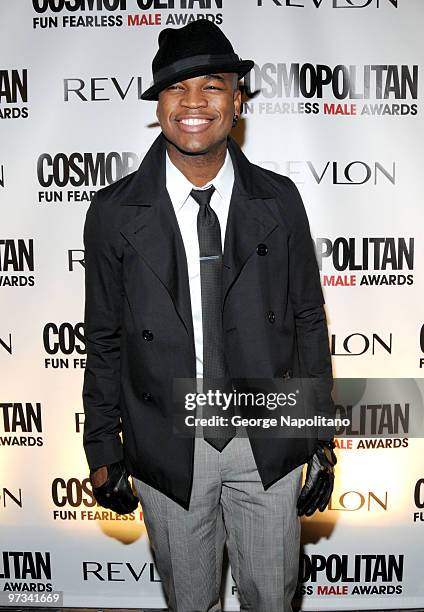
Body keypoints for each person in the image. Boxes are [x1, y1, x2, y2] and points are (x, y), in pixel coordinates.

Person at [82, 20, 337, 612]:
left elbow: (306, 319)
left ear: (238, 98)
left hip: (266, 436)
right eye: (177, 88)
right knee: (190, 603)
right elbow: (104, 337)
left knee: (272, 599)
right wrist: (102, 449)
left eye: (213, 85)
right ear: (159, 104)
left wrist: (319, 433)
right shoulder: (114, 212)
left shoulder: (279, 199)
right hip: (168, 441)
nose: (194, 103)